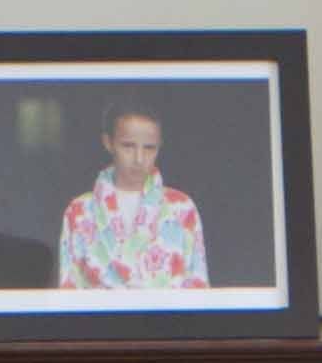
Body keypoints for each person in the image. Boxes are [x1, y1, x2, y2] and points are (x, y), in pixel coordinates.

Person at [54, 106, 211, 290]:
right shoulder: (79, 211)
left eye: (149, 148)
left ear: (159, 146)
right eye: (128, 146)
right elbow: (70, 288)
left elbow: (198, 286)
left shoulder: (182, 208)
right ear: (108, 142)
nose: (139, 159)